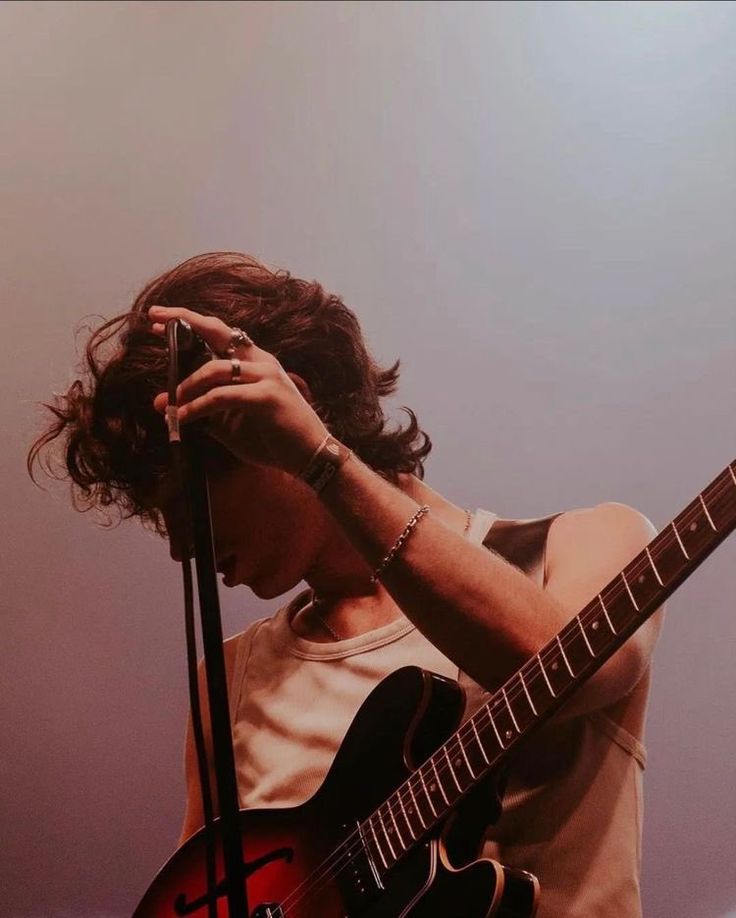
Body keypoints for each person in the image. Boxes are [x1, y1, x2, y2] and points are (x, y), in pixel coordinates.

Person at [29, 251, 664, 917]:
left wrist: (321, 461)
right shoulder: (232, 676)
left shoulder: (586, 543)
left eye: (193, 506)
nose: (184, 547)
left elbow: (567, 667)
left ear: (286, 412)